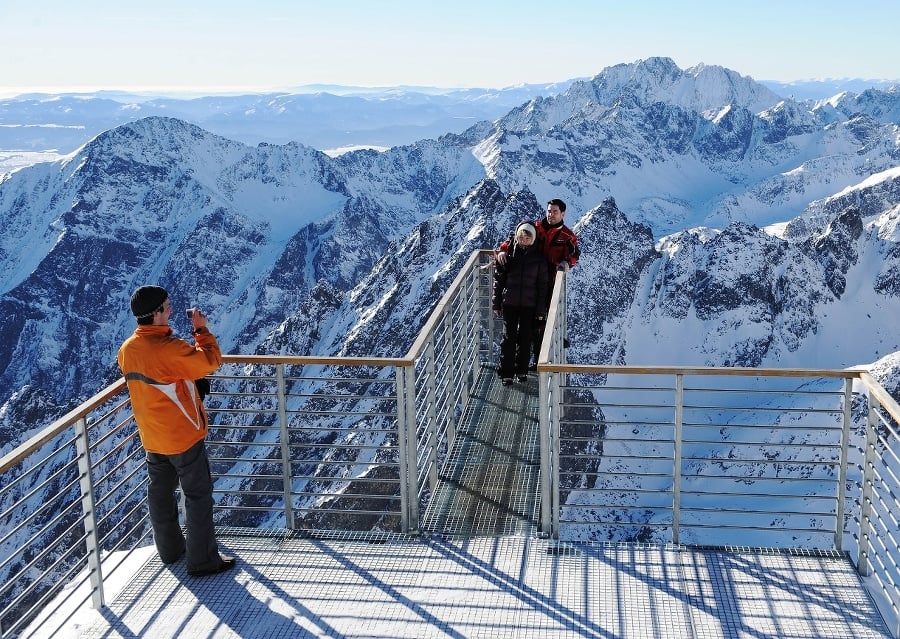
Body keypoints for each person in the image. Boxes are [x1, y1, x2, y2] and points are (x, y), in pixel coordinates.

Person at [117, 285, 234, 577]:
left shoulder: (128, 349)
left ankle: (170, 551)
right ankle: (204, 561)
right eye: (167, 306)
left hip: (151, 436)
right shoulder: (169, 348)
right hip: (181, 436)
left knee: (160, 493)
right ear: (156, 313)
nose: (170, 309)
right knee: (197, 495)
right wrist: (201, 330)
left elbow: (159, 382)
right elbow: (210, 361)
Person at [496, 198, 580, 368]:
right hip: (529, 282)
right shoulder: (536, 227)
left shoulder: (567, 236)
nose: (551, 214)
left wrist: (566, 263)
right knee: (527, 322)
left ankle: (537, 361)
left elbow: (575, 254)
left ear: (563, 213)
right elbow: (515, 239)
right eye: (549, 211)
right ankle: (522, 363)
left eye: (555, 211)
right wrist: (502, 251)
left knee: (541, 322)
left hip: (549, 284)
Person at [492, 223, 550, 385]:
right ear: (516, 238)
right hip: (509, 303)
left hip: (529, 306)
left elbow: (542, 287)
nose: (524, 241)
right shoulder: (507, 256)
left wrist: (540, 310)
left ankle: (522, 371)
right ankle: (506, 373)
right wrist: (496, 304)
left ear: (533, 239)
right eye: (521, 238)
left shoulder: (539, 260)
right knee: (508, 339)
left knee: (526, 339)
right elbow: (499, 281)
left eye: (527, 238)